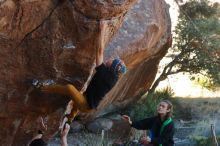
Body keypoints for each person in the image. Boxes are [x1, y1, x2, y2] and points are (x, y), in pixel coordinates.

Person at [32, 48, 126, 124]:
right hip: (87, 99)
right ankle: (70, 119)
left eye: (112, 61)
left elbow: (100, 52)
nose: (110, 59)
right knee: (78, 100)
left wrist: (102, 29)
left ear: (111, 68)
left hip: (86, 105)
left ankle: (42, 87)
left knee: (70, 88)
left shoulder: (107, 77)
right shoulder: (111, 76)